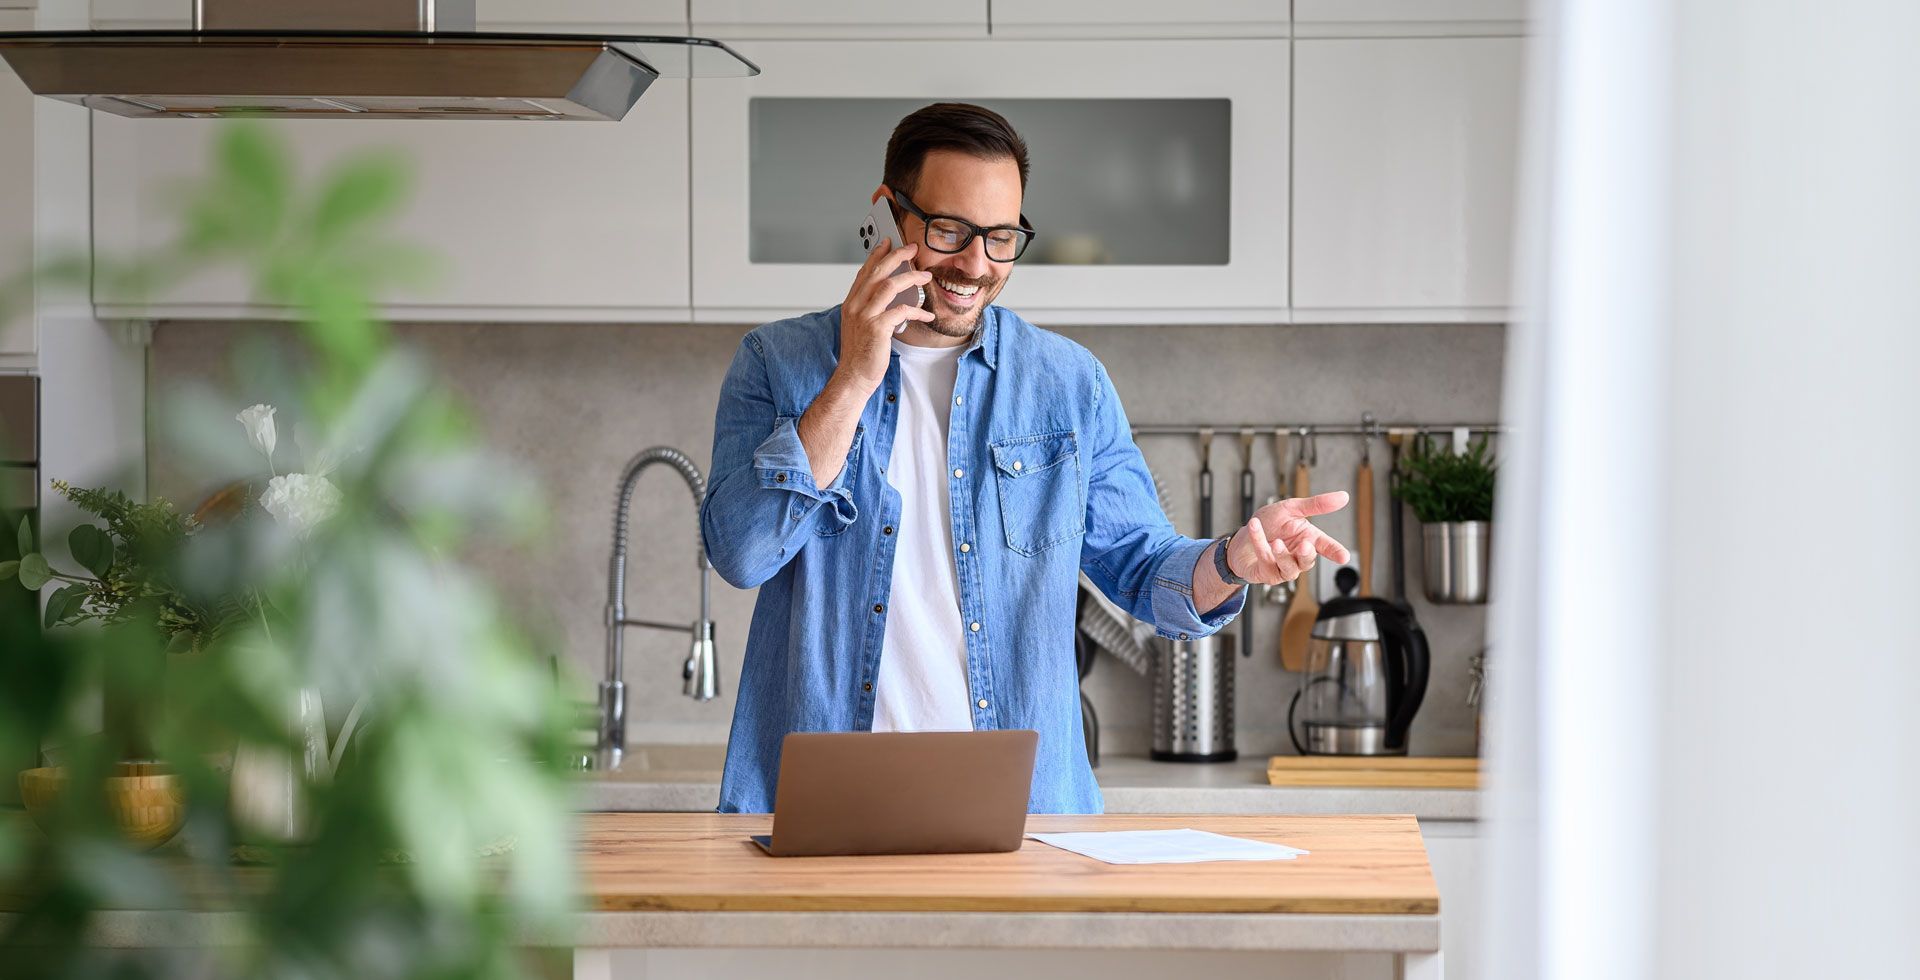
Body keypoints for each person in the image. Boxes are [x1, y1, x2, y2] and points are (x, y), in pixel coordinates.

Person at [701, 102, 1350, 813]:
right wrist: (854, 376)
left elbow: (1140, 568)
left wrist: (1232, 563)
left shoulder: (1070, 385)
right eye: (949, 229)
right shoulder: (776, 364)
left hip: (1022, 820)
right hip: (825, 811)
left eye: (1002, 237)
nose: (975, 266)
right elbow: (742, 553)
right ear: (890, 212)